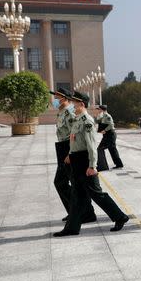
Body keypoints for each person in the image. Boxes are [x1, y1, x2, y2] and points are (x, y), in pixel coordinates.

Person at [54, 91, 129, 237]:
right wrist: (70, 155)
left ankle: (120, 217)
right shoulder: (77, 119)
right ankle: (72, 228)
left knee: (96, 194)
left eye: (75, 102)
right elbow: (75, 140)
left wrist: (92, 166)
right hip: (76, 159)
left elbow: (91, 146)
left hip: (84, 161)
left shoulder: (87, 121)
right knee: (77, 195)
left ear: (81, 104)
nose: (72, 105)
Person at [51, 87, 95, 224]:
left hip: (69, 148)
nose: (55, 100)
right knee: (65, 182)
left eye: (58, 97)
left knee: (72, 183)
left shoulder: (70, 112)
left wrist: (71, 153)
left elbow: (74, 135)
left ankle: (84, 213)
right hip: (62, 147)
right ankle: (75, 211)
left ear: (65, 98)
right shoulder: (62, 111)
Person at [94, 104, 124, 171]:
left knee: (100, 149)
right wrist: (96, 116)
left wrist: (104, 130)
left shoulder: (107, 116)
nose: (98, 110)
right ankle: (119, 164)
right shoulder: (103, 116)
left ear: (102, 109)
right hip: (107, 135)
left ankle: (103, 166)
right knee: (112, 150)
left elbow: (111, 125)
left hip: (110, 135)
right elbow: (98, 122)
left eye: (99, 109)